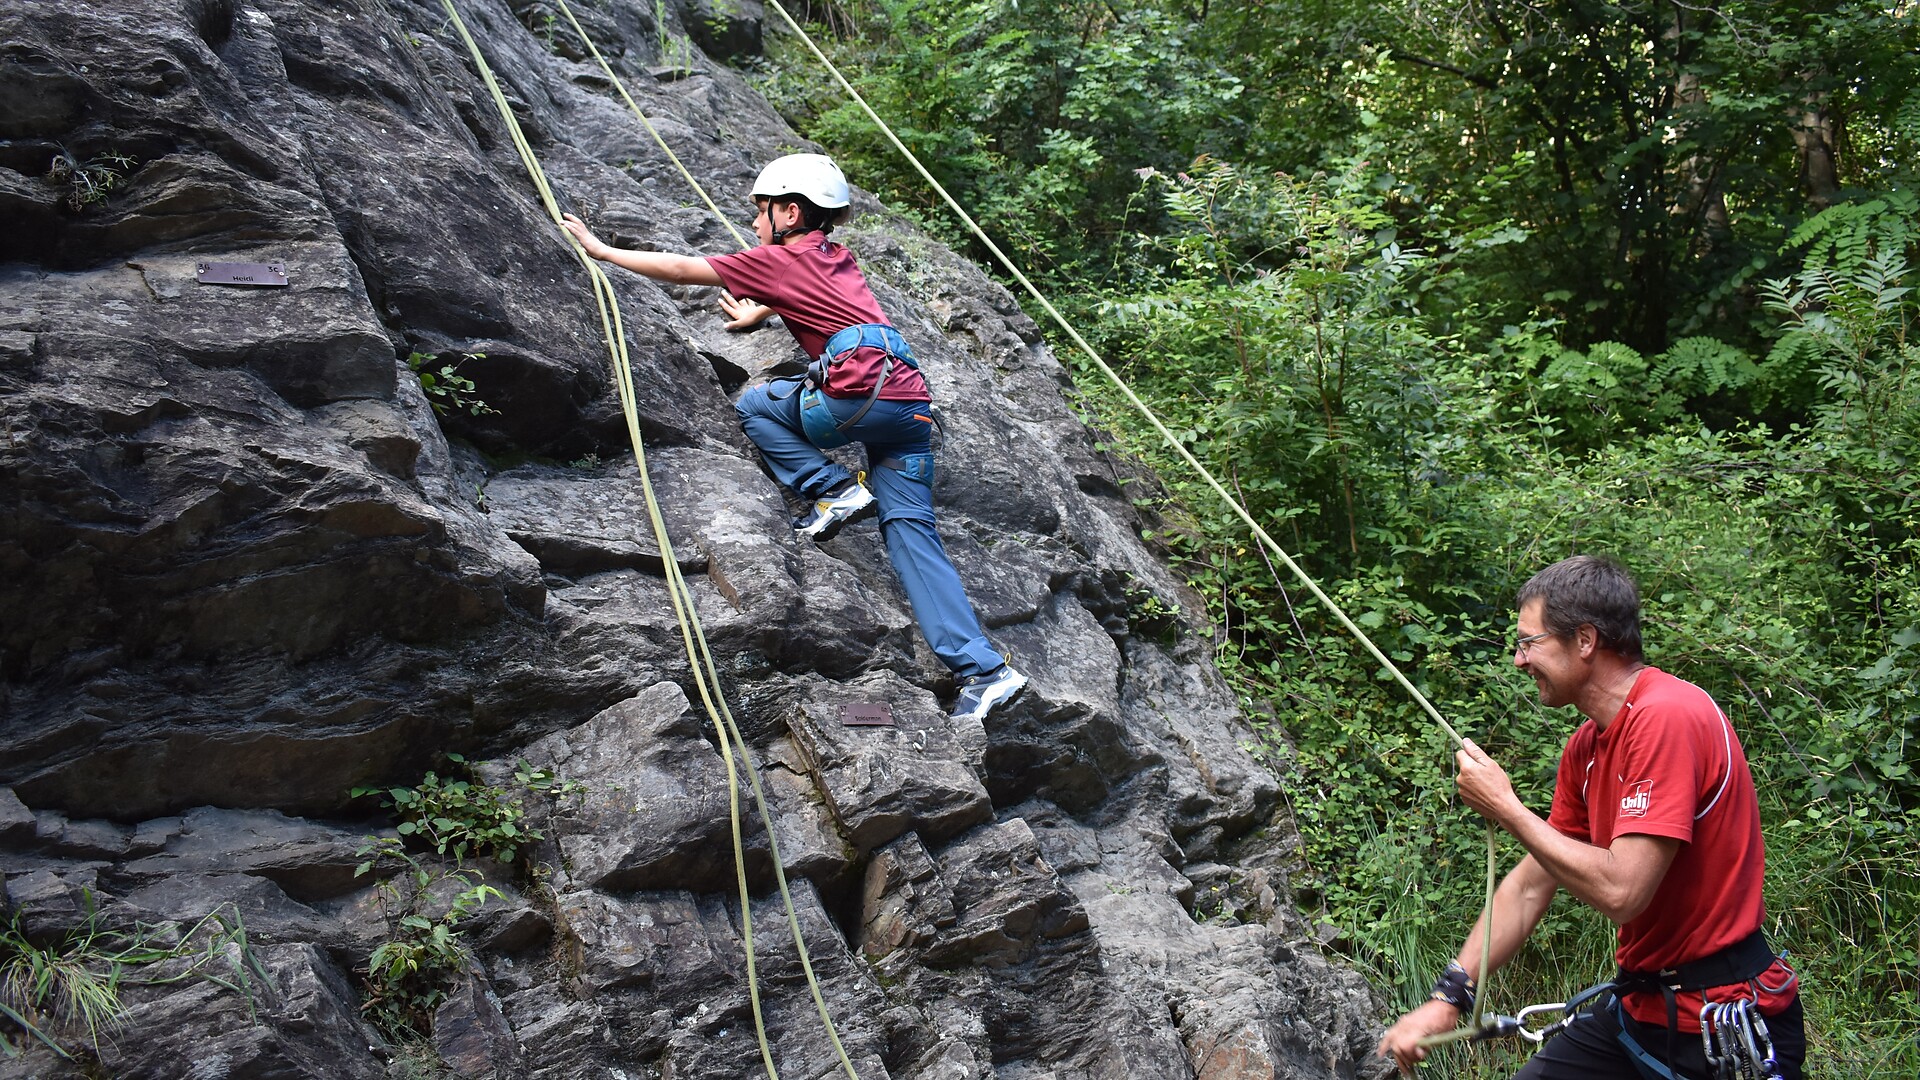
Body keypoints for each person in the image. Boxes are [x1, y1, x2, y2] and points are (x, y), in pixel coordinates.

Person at [561, 153, 1027, 723]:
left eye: (762, 211)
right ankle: (984, 671)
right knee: (911, 535)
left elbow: (683, 269)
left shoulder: (778, 258)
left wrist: (602, 251)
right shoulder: (836, 256)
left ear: (790, 212)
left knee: (757, 404)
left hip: (856, 398)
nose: (755, 223)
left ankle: (832, 489)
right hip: (908, 409)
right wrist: (762, 313)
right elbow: (821, 303)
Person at [1378, 555, 1803, 1079]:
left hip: (1720, 1019)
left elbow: (1623, 892)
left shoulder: (1668, 717)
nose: (1519, 660)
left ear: (1584, 640)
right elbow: (1530, 886)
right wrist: (1450, 995)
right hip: (1642, 1011)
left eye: (1529, 643)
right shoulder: (1586, 747)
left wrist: (1507, 808)